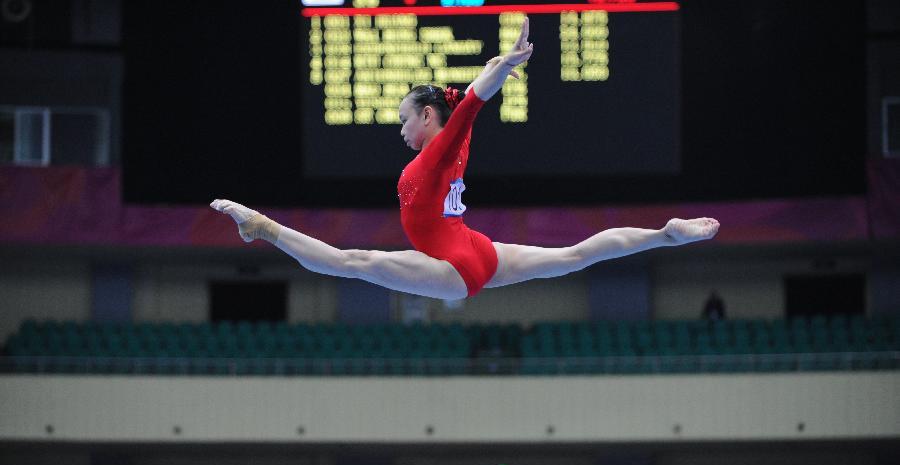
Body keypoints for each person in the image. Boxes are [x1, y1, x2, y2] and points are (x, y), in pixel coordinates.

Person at [211, 16, 719, 300]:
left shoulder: (437, 153)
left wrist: (503, 64)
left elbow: (476, 96)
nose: (401, 130)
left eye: (404, 119)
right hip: (476, 249)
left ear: (429, 117)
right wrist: (500, 63)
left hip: (450, 263)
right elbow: (473, 97)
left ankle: (262, 227)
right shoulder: (452, 145)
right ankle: (662, 235)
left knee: (352, 262)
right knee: (574, 255)